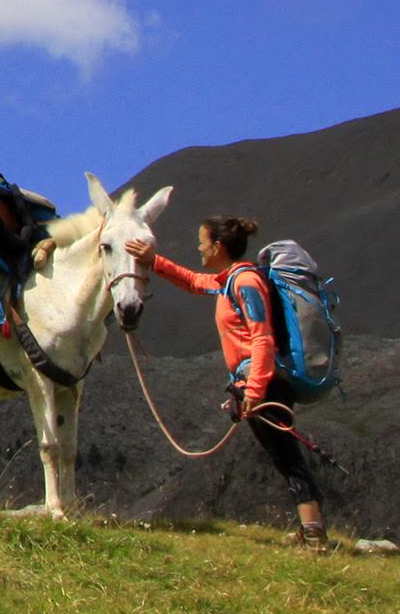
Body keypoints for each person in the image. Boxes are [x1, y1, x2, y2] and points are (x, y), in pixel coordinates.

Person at [124, 213, 328, 552]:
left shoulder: (245, 283)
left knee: (286, 455)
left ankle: (315, 535)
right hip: (255, 381)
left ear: (218, 246)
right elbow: (194, 281)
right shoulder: (230, 279)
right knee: (282, 455)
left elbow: (261, 337)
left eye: (203, 242)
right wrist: (153, 261)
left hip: (263, 382)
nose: (199, 248)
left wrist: (255, 389)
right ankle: (311, 529)